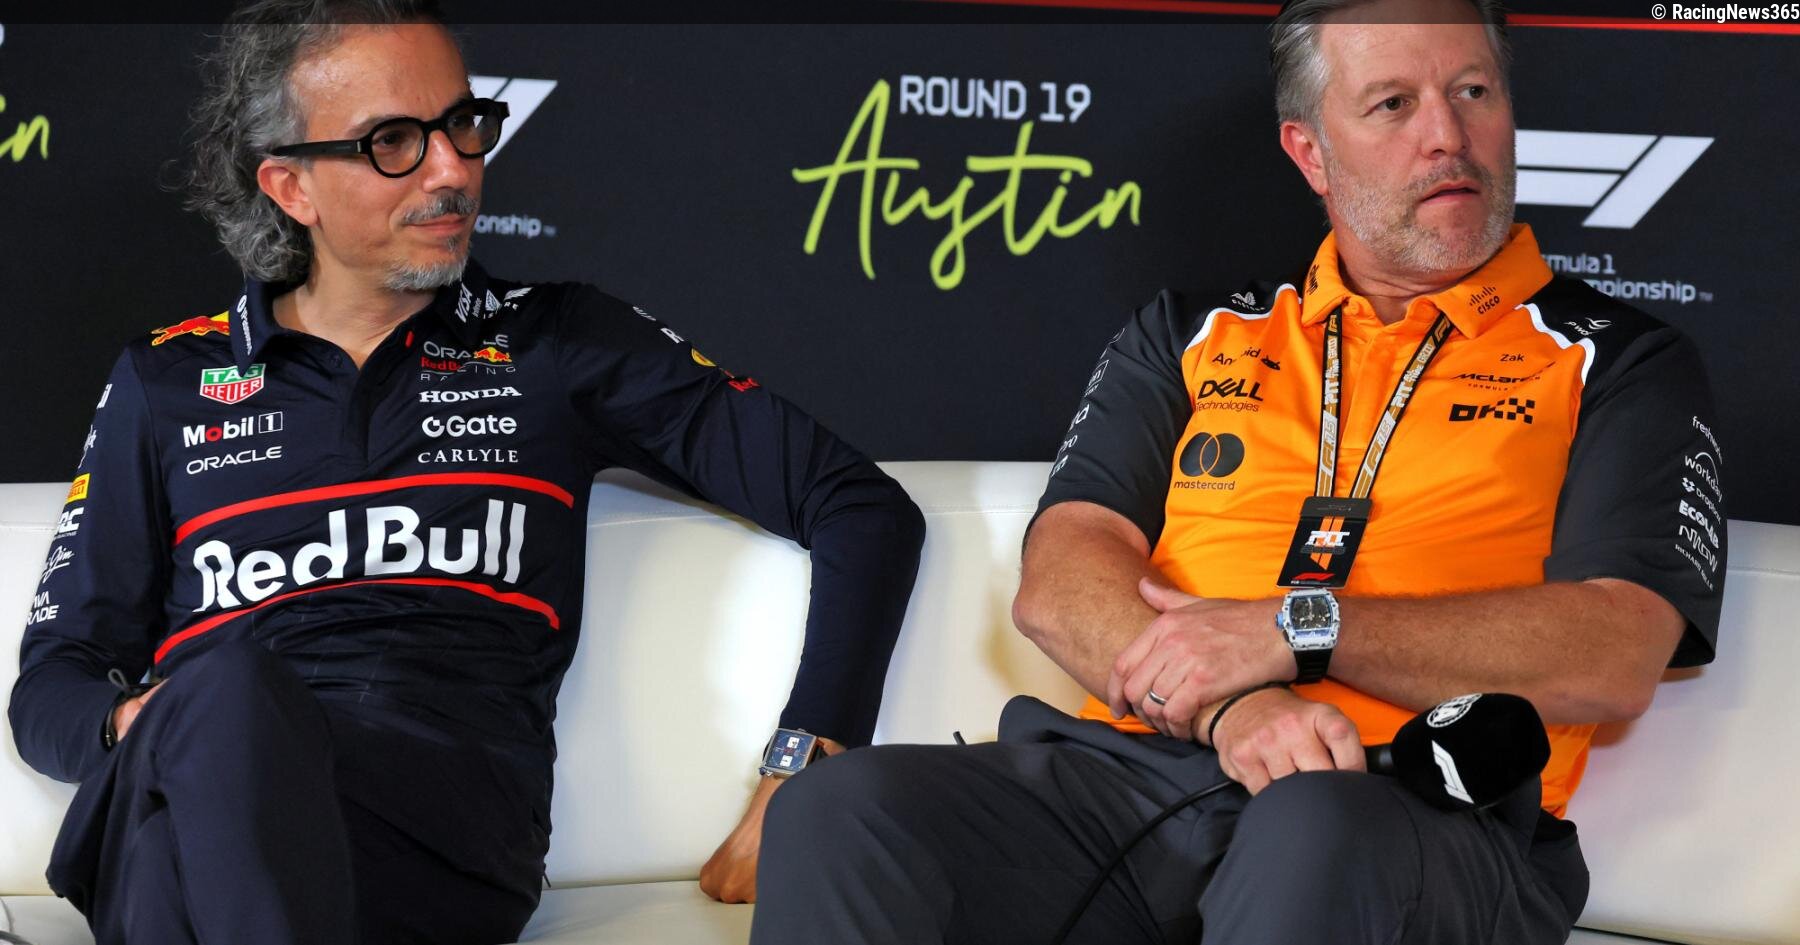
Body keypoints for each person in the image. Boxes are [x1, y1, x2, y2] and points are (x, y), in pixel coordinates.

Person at [751, 0, 1727, 942]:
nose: (1447, 135)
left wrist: (1299, 628)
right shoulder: (1193, 332)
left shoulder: (1619, 359)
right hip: (1144, 778)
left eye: (1473, 91)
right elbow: (1063, 580)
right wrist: (1233, 706)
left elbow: (1617, 649)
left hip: (1413, 807)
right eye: (1393, 103)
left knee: (1312, 826)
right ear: (1311, 152)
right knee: (843, 808)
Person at [7, 2, 924, 942]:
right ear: (290, 186)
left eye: (463, 125)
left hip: (443, 831)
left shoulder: (559, 342)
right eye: (393, 142)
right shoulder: (166, 379)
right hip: (205, 786)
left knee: (213, 734)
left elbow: (859, 505)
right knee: (223, 712)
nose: (452, 169)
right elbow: (53, 686)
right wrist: (146, 722)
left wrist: (805, 768)